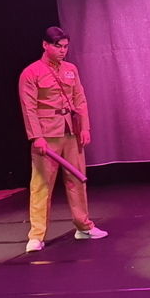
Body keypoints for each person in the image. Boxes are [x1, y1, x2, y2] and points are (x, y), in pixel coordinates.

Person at [18, 26, 108, 253]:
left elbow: (80, 99)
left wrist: (85, 127)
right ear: (45, 45)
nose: (62, 50)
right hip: (47, 135)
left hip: (71, 132)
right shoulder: (31, 72)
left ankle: (83, 226)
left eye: (66, 47)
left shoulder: (71, 69)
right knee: (41, 185)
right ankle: (36, 235)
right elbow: (29, 108)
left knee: (76, 180)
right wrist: (36, 136)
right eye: (58, 46)